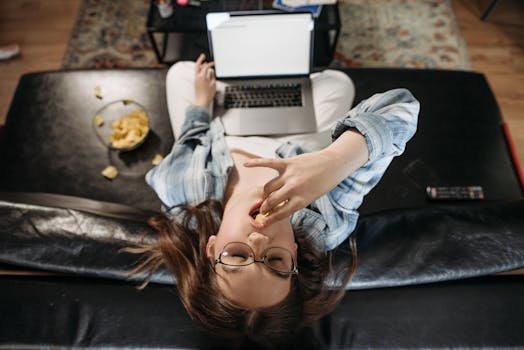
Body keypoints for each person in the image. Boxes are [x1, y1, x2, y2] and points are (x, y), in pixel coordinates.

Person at [129, 54, 419, 347]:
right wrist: (334, 160)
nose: (258, 240)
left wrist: (202, 104)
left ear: (211, 247)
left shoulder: (178, 189)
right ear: (294, 253)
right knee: (337, 82)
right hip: (299, 138)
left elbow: (190, 140)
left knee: (180, 72)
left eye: (237, 256)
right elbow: (403, 106)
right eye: (276, 261)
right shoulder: (324, 223)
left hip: (225, 134)